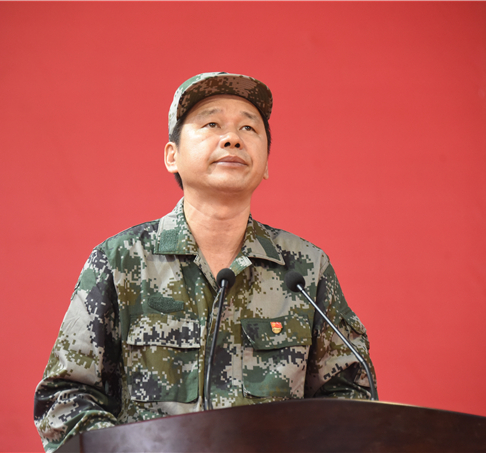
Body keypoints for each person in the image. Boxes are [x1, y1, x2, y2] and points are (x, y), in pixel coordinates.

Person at [33, 72, 376, 452]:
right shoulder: (121, 262)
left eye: (249, 128)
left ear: (265, 164)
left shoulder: (306, 269)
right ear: (172, 156)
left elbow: (350, 400)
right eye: (211, 124)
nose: (232, 138)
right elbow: (65, 398)